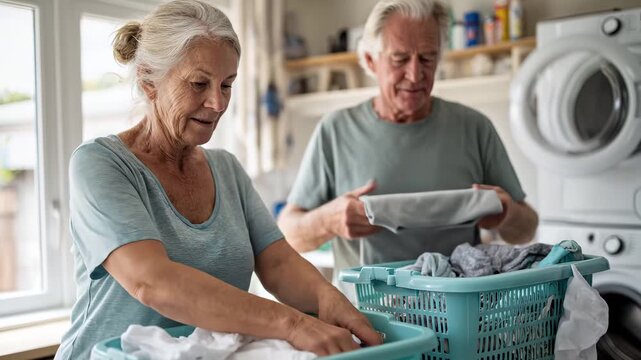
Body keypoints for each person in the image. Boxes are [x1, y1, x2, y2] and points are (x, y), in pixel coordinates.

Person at [54, 1, 381, 359]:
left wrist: (329, 300)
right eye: (199, 83)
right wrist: (295, 324)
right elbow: (153, 282)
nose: (217, 103)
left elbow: (279, 263)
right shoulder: (100, 164)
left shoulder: (226, 170)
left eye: (227, 85)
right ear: (149, 81)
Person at [277, 0, 538, 283]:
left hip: (456, 315)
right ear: (369, 60)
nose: (415, 76)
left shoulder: (474, 127)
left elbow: (527, 228)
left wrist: (506, 214)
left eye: (427, 58)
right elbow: (288, 234)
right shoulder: (336, 130)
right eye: (400, 59)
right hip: (365, 316)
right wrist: (330, 220)